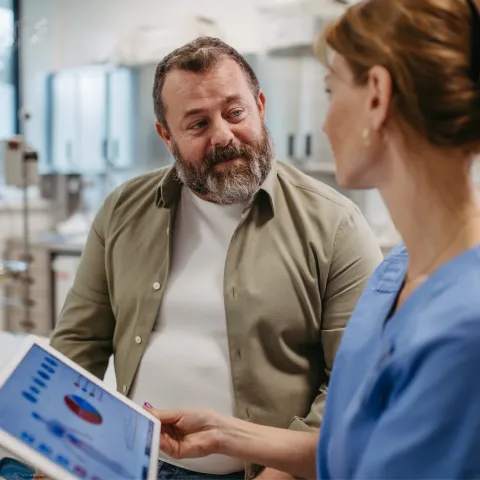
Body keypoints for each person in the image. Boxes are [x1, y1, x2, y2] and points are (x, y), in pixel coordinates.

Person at [143, 0, 480, 478]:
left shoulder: (466, 325)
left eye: (330, 90)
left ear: (377, 97)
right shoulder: (395, 273)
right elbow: (354, 449)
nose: (323, 123)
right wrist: (226, 433)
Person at [49, 37, 382, 480]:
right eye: (198, 123)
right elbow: (79, 343)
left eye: (235, 112)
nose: (223, 135)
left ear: (260, 105)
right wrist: (55, 445)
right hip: (133, 463)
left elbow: (355, 382)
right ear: (166, 135)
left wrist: (281, 473)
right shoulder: (123, 210)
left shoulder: (336, 225)